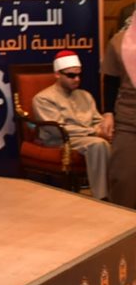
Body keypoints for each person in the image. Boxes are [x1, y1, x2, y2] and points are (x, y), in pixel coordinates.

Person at [34, 50, 112, 199]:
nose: (77, 79)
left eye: (79, 75)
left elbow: (97, 120)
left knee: (122, 141)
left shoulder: (85, 95)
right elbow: (57, 129)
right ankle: (103, 197)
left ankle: (123, 194)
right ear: (57, 74)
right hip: (60, 140)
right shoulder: (43, 98)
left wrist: (106, 130)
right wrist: (94, 132)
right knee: (98, 144)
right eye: (71, 75)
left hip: (86, 137)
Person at [102, 12, 136, 207]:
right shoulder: (118, 42)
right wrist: (108, 113)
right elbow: (111, 81)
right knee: (124, 179)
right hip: (128, 120)